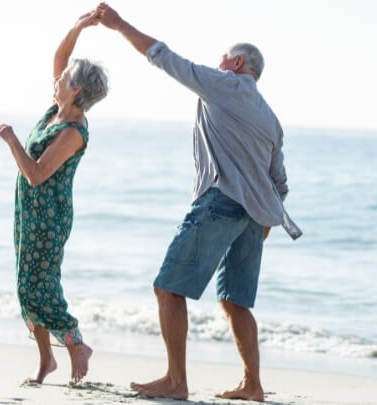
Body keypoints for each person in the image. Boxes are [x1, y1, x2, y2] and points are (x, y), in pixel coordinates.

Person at [96, 3, 298, 401]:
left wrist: (118, 25)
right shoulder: (271, 117)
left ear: (236, 62)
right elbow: (280, 182)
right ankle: (252, 385)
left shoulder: (225, 83)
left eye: (223, 58)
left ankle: (176, 381)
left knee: (168, 289)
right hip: (253, 218)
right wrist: (263, 223)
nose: (217, 63)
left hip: (220, 202)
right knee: (235, 301)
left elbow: (164, 57)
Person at [0, 9, 108, 385]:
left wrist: (11, 140)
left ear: (76, 90)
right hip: (28, 210)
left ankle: (76, 344)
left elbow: (38, 174)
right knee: (26, 285)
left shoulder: (74, 129)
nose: (56, 78)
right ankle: (46, 361)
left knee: (35, 287)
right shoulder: (56, 110)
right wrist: (78, 27)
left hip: (49, 215)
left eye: (64, 79)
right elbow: (60, 60)